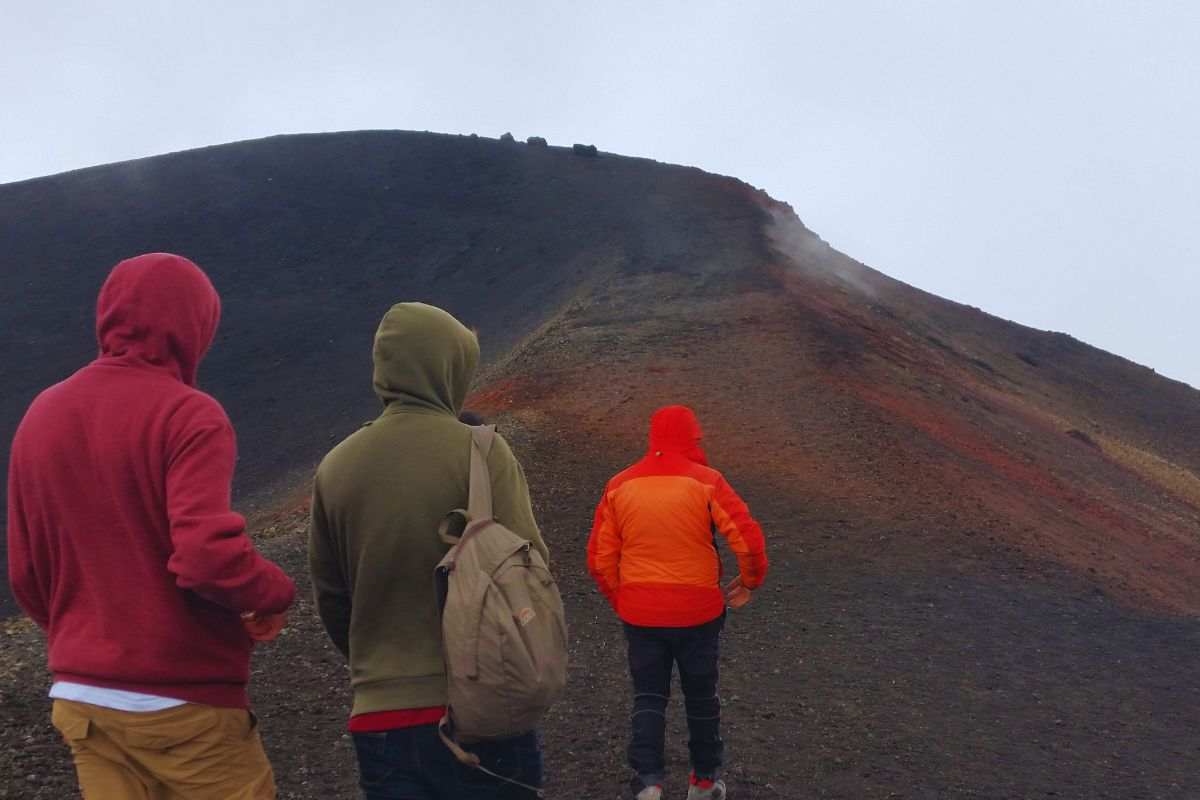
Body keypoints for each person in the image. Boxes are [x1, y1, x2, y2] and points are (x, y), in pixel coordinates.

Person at [7, 252, 296, 799]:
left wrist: (90, 635)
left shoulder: (41, 414)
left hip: (84, 700)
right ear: (194, 326)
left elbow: (25, 571)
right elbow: (206, 556)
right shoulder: (188, 414)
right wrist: (274, 592)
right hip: (183, 702)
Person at [309, 302, 550, 799]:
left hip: (381, 717)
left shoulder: (335, 467)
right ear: (449, 367)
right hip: (484, 705)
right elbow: (533, 569)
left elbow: (332, 599)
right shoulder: (481, 451)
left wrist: (379, 666)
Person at [587, 405, 768, 800]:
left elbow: (599, 559)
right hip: (698, 612)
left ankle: (648, 782)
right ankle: (703, 782)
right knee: (701, 695)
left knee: (649, 695)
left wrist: (623, 600)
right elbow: (748, 540)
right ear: (691, 437)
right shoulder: (707, 482)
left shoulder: (619, 485)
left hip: (641, 614)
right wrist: (751, 581)